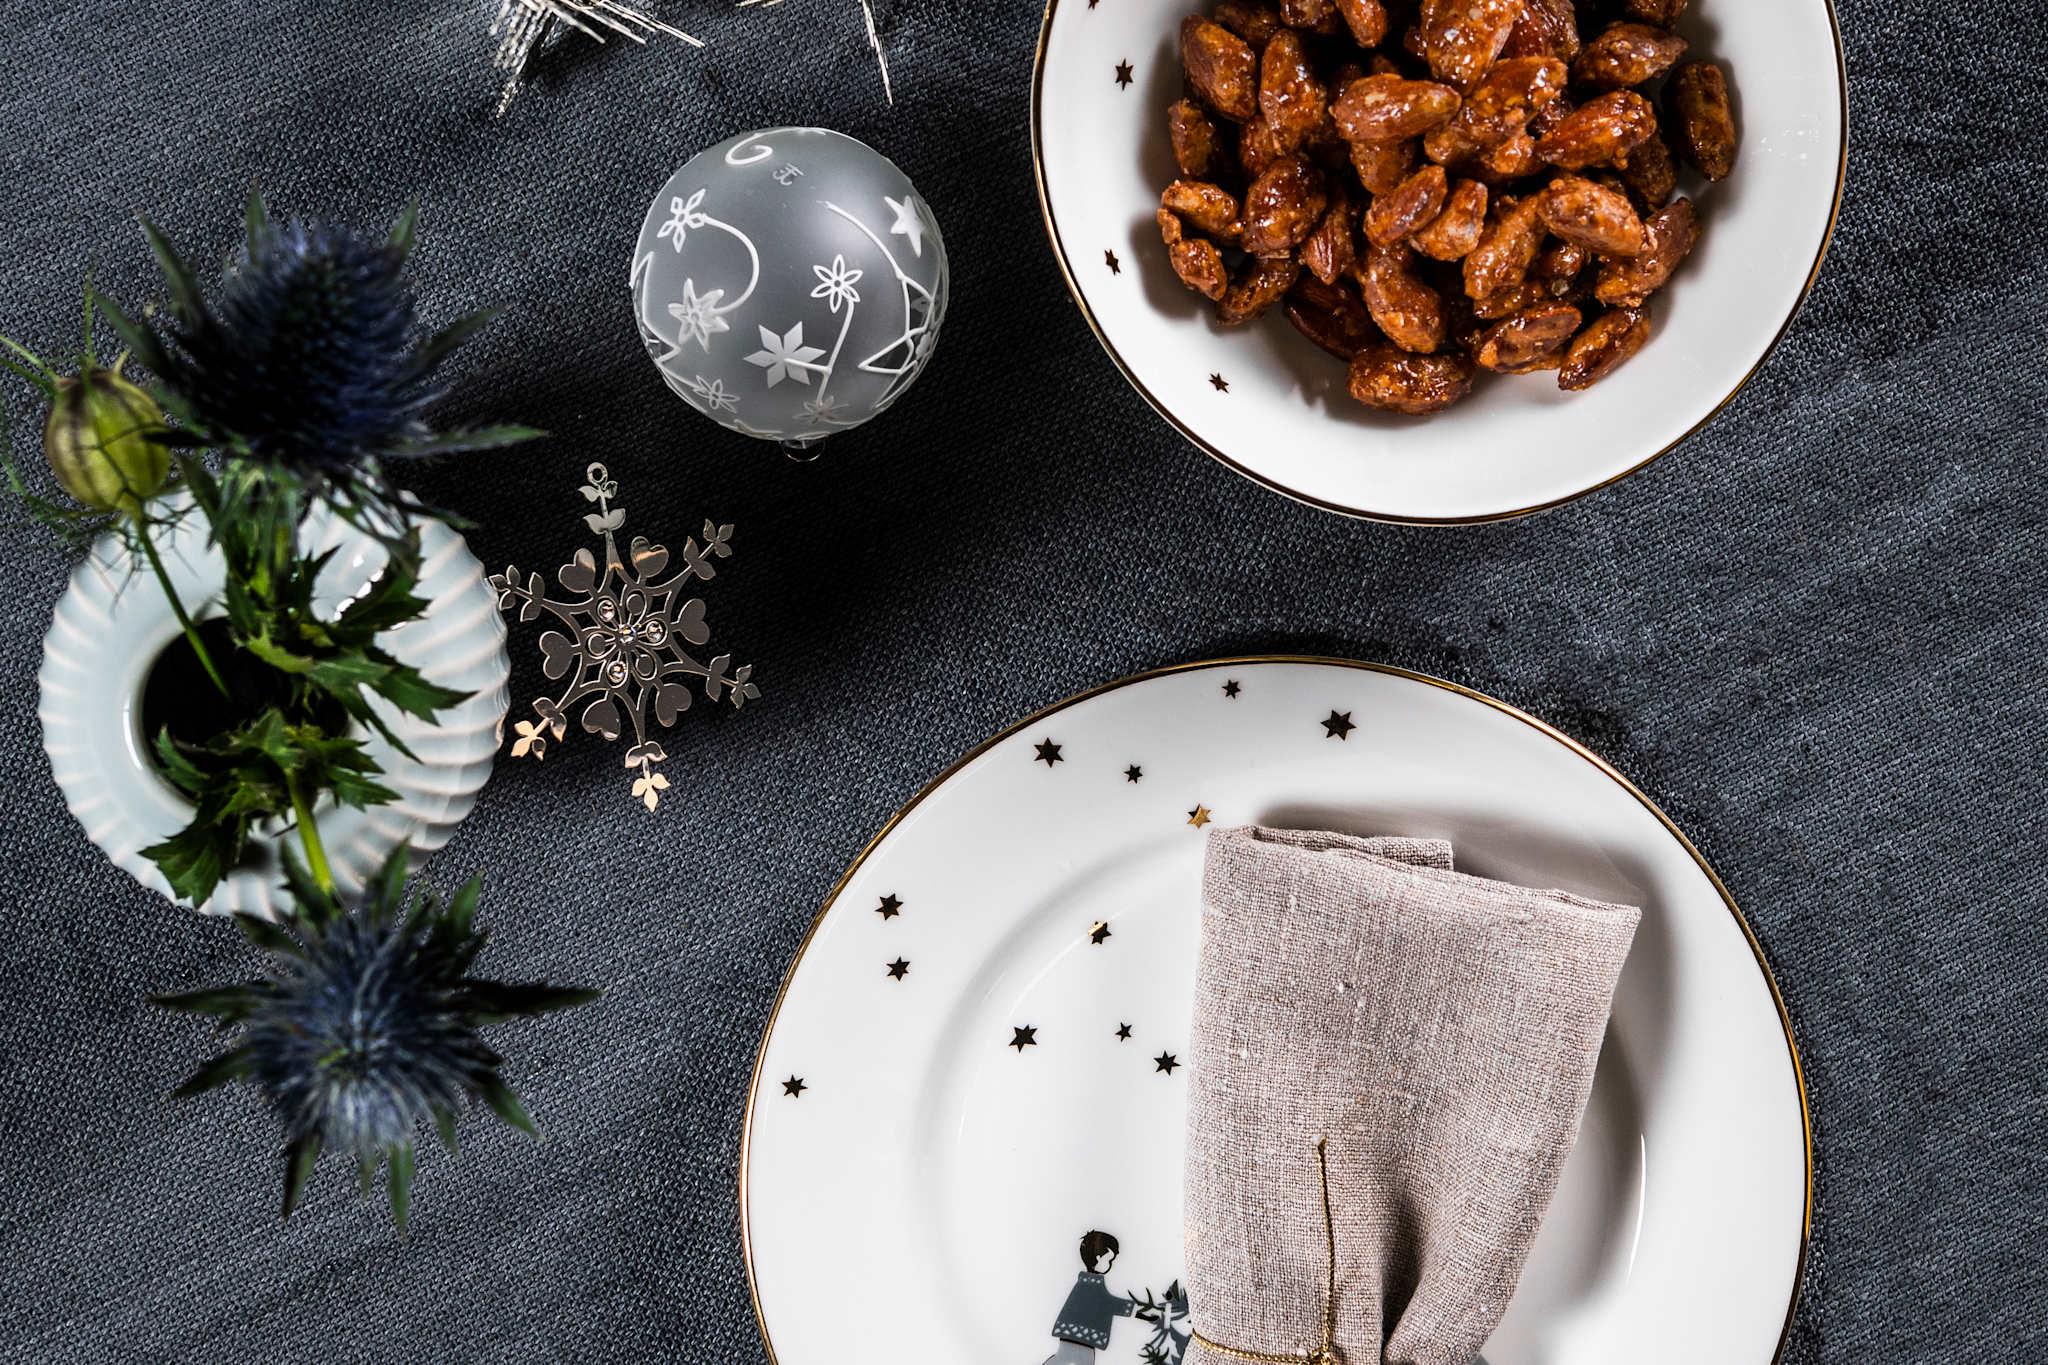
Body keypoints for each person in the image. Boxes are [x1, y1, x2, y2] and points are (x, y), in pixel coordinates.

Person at [1040, 1231, 1137, 1365]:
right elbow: (1108, 1303)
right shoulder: (1091, 1284)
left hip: (1075, 1334)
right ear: (1098, 1258)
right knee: (1072, 1359)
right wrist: (1136, 1311)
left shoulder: (1088, 1282)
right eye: (1109, 1260)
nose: (1110, 1265)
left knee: (1066, 1358)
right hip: (1079, 1336)